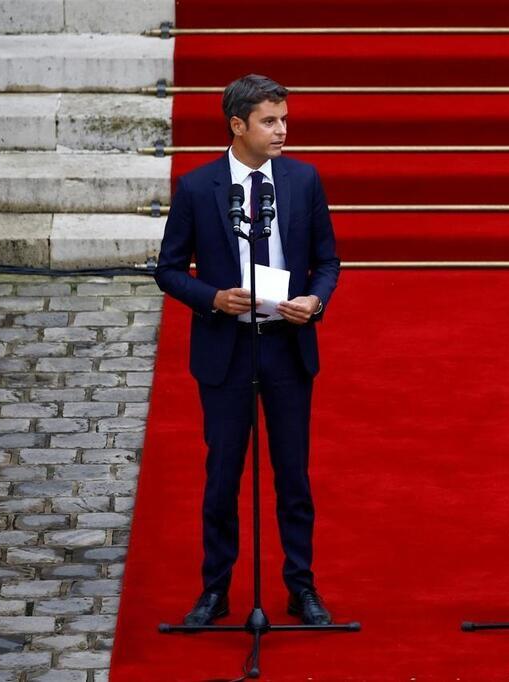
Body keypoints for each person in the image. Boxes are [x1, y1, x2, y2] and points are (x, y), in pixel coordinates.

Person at [155, 74, 340, 627]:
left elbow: (328, 261)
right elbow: (167, 270)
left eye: (284, 119)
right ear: (238, 126)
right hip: (226, 350)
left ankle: (301, 587)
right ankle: (215, 590)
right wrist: (213, 297)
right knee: (223, 476)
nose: (282, 130)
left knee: (293, 476)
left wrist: (315, 300)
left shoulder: (304, 181)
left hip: (287, 346)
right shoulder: (196, 187)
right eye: (269, 121)